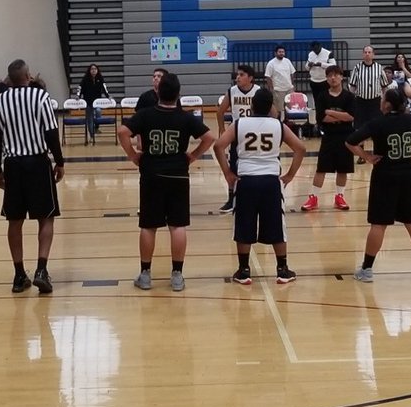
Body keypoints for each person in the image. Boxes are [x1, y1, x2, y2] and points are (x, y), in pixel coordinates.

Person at [118, 72, 214, 292]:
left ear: (158, 92)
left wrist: (133, 155)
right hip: (178, 175)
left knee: (149, 226)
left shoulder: (145, 114)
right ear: (178, 94)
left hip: (151, 175)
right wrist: (193, 155)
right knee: (177, 226)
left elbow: (123, 132)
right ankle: (177, 275)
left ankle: (145, 274)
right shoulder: (186, 117)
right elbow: (209, 138)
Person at [346, 85, 411, 282]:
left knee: (378, 224)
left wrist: (366, 156)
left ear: (387, 104)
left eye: (382, 99)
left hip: (384, 176)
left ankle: (367, 270)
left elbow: (350, 141)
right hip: (408, 175)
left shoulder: (377, 123)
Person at [0, 58, 65, 294]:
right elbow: (51, 131)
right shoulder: (41, 97)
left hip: (13, 164)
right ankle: (41, 269)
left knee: (15, 220)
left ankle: (19, 274)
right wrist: (60, 162)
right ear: (28, 76)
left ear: (9, 79)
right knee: (46, 217)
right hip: (38, 162)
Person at [214, 88, 305, 285]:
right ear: (271, 106)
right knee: (276, 224)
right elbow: (301, 148)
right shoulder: (278, 125)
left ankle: (244, 270)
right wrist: (289, 175)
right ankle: (282, 269)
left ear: (252, 105)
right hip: (271, 181)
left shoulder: (240, 124)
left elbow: (218, 145)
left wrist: (227, 173)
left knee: (244, 222)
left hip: (246, 180)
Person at [300, 64, 356, 211]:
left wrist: (331, 112)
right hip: (329, 136)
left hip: (345, 136)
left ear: (341, 77)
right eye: (330, 75)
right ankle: (313, 197)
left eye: (336, 75)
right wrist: (339, 116)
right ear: (326, 78)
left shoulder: (349, 96)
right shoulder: (322, 96)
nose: (333, 78)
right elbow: (321, 118)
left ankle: (340, 197)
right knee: (321, 168)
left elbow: (350, 117)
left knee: (343, 169)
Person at [217, 64, 260, 214]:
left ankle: (251, 197)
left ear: (250, 78)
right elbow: (220, 112)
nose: (238, 77)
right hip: (237, 133)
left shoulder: (258, 92)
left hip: (254, 133)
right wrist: (222, 129)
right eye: (237, 75)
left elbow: (273, 112)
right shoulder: (232, 91)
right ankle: (231, 199)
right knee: (233, 166)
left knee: (253, 165)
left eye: (241, 75)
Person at [348, 45, 389, 129]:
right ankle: (360, 142)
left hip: (375, 101)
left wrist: (384, 101)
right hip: (360, 101)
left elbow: (384, 87)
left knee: (377, 125)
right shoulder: (357, 68)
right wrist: (350, 101)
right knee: (359, 126)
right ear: (362, 54)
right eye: (365, 52)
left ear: (373, 54)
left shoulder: (379, 68)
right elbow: (352, 87)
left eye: (369, 52)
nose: (367, 54)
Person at [305, 40, 335, 123]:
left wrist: (321, 64)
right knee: (317, 102)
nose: (315, 51)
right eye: (313, 50)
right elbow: (306, 67)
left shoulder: (328, 53)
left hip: (324, 81)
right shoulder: (311, 54)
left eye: (316, 49)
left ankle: (328, 120)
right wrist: (309, 65)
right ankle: (318, 120)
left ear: (320, 47)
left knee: (326, 101)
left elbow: (333, 65)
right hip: (314, 81)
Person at [264, 45, 297, 120]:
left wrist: (292, 84)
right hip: (278, 90)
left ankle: (288, 124)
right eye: (280, 52)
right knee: (278, 110)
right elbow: (268, 77)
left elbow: (292, 73)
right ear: (275, 53)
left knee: (290, 109)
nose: (281, 53)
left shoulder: (287, 61)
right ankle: (278, 123)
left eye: (283, 52)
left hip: (289, 89)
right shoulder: (271, 63)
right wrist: (271, 88)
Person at [78, 64, 110, 136]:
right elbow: (80, 88)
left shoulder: (100, 78)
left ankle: (96, 127)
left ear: (97, 70)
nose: (93, 70)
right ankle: (92, 134)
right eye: (92, 69)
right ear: (89, 71)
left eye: (95, 69)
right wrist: (78, 96)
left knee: (98, 111)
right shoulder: (85, 79)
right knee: (90, 117)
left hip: (97, 102)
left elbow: (104, 88)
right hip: (88, 102)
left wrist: (108, 96)